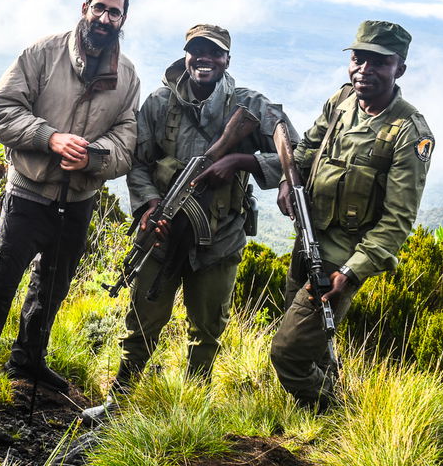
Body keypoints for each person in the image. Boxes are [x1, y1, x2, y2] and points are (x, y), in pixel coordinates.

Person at [0, 0, 140, 406]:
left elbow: (127, 141)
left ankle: (28, 361)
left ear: (123, 20)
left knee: (52, 290)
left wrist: (92, 157)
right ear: (85, 7)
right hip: (28, 195)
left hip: (79, 202)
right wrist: (50, 138)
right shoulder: (42, 53)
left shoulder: (128, 77)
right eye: (99, 8)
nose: (104, 18)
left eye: (114, 13)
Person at [82, 25, 291, 424]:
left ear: (227, 60)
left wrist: (241, 162)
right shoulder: (160, 103)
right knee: (142, 317)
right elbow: (137, 162)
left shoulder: (249, 105)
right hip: (162, 233)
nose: (204, 59)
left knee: (207, 328)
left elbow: (293, 152)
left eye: (213, 52)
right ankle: (118, 401)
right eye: (196, 51)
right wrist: (149, 204)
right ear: (186, 55)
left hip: (220, 238)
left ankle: (190, 410)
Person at [271, 20, 434, 410]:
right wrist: (285, 181)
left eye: (378, 62)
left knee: (287, 353)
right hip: (307, 240)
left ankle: (337, 409)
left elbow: (398, 219)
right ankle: (314, 425)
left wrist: (353, 272)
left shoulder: (409, 132)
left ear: (400, 69)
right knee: (311, 342)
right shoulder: (342, 102)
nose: (364, 69)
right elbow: (308, 146)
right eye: (358, 59)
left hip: (340, 258)